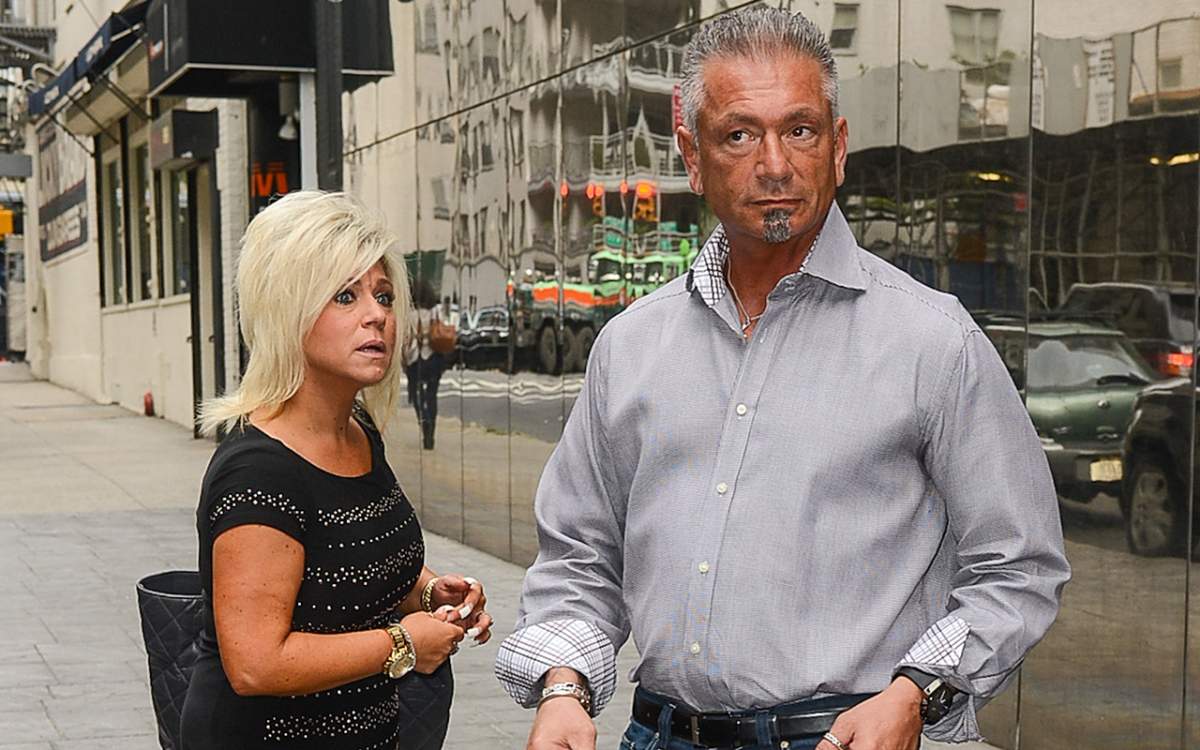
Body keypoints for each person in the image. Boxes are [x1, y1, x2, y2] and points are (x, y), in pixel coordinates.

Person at [494, 8, 1070, 750]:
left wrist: (917, 693)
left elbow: (1018, 565)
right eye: (739, 133)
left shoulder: (935, 341)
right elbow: (579, 553)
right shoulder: (631, 346)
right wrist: (564, 689)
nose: (773, 163)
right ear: (692, 157)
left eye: (799, 129)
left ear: (837, 147)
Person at [180, 191, 493, 750]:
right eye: (345, 296)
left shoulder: (357, 432)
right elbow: (255, 664)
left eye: (384, 295)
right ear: (287, 310)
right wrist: (403, 644)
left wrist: (429, 595)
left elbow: (346, 571)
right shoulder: (258, 472)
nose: (376, 314)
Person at [405, 281, 449, 450]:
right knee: (432, 396)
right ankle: (431, 431)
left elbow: (405, 340)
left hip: (414, 360)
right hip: (434, 358)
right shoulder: (436, 312)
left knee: (417, 396)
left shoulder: (410, 314)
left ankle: (424, 423)